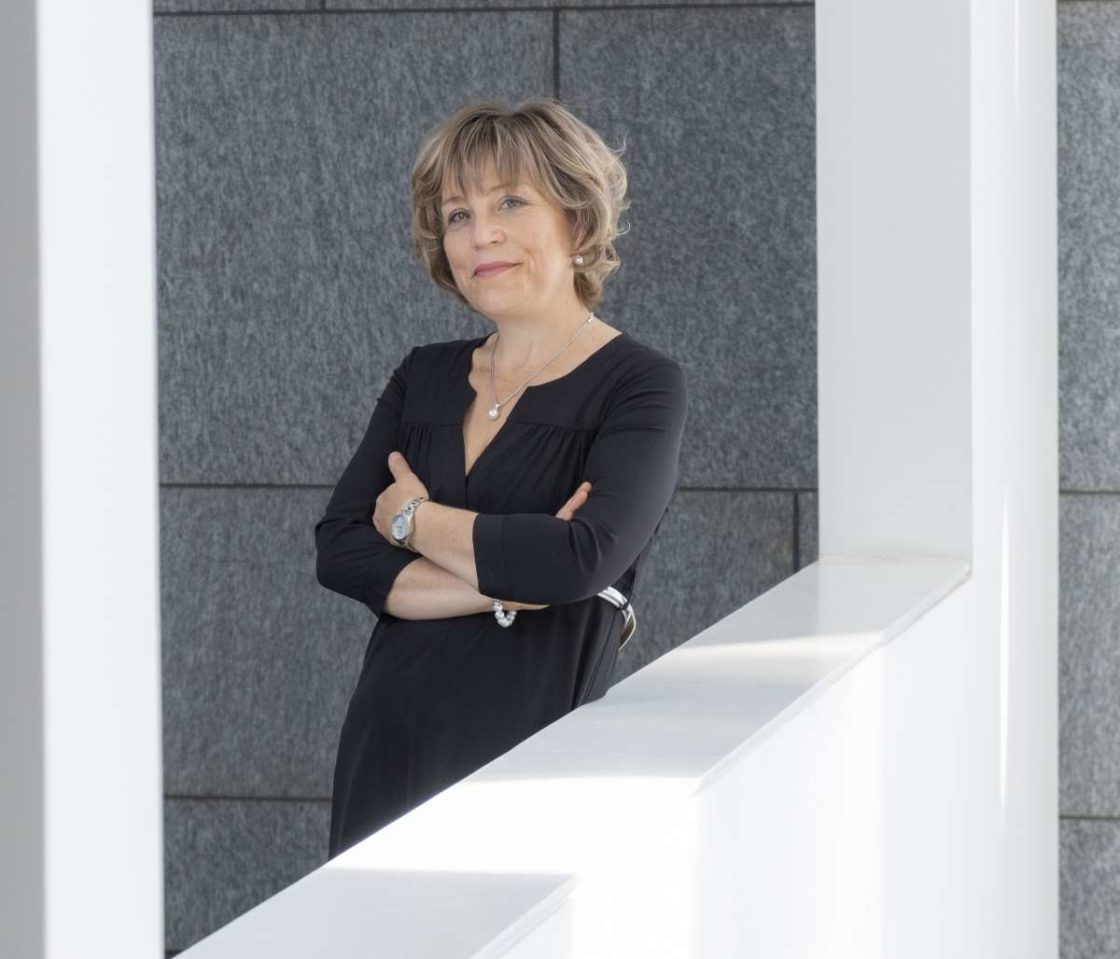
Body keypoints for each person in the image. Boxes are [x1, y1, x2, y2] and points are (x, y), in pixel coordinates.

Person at [314, 96, 688, 859]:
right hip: (388, 743)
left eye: (510, 202)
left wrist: (413, 520)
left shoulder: (640, 384)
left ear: (576, 220)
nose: (480, 233)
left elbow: (579, 558)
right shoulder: (424, 376)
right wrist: (508, 583)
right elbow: (341, 549)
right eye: (458, 214)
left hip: (532, 752)